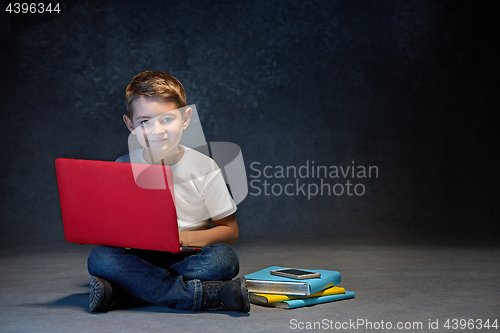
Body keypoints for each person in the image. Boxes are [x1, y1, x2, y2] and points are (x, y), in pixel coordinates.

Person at [86, 71, 250, 313]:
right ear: (130, 124)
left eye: (166, 119)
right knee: (99, 258)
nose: (157, 131)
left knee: (224, 260)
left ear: (185, 119)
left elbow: (230, 230)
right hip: (141, 256)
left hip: (188, 255)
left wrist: (184, 239)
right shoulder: (122, 166)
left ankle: (128, 293)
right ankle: (206, 295)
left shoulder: (205, 167)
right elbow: (113, 226)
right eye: (145, 121)